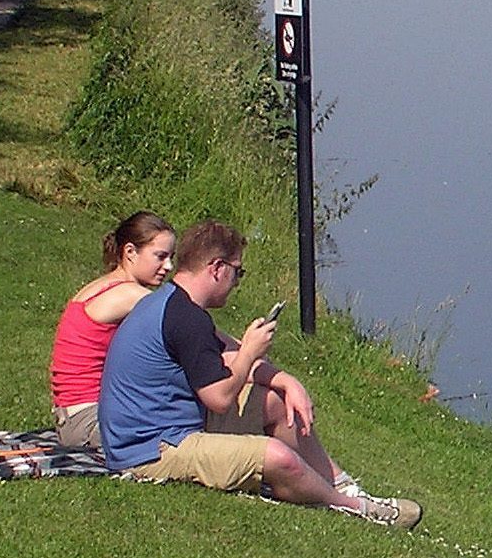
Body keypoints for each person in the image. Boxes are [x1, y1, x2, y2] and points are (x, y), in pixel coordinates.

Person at [98, 220, 421, 529]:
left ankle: (343, 484)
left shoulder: (174, 304)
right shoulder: (186, 318)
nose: (237, 283)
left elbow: (220, 360)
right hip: (150, 452)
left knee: (276, 405)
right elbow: (220, 397)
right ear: (216, 268)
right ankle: (356, 508)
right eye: (238, 273)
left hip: (167, 431)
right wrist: (250, 350)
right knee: (279, 457)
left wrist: (285, 381)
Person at [49, 212, 176, 451]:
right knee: (180, 430)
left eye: (171, 257)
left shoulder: (101, 286)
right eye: (160, 256)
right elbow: (190, 331)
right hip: (88, 420)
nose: (168, 266)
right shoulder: (130, 295)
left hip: (72, 416)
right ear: (130, 252)